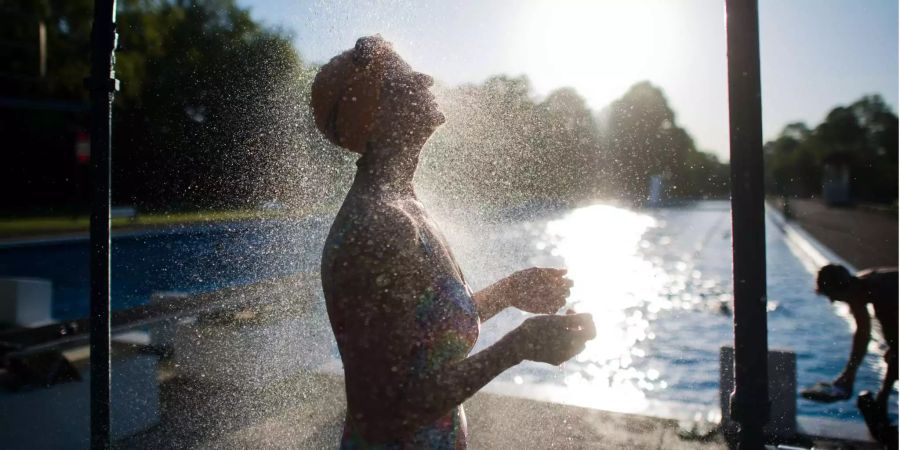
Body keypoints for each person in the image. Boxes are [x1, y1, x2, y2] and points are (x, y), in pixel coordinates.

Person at [312, 35, 596, 449]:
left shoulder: (405, 205)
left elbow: (425, 336)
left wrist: (509, 290)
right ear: (372, 115)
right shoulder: (375, 226)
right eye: (403, 78)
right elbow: (382, 412)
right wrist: (517, 346)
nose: (425, 78)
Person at [803, 263, 897, 446]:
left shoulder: (882, 293)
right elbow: (862, 332)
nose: (832, 301)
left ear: (843, 289)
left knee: (892, 357)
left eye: (833, 297)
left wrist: (883, 397)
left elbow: (896, 350)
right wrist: (849, 374)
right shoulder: (859, 286)